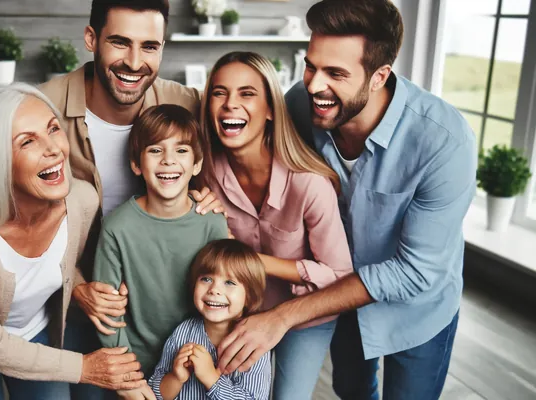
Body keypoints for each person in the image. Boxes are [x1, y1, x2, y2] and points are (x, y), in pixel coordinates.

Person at [0, 1, 222, 397]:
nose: (135, 62)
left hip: (103, 287)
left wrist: (211, 196)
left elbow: (248, 130)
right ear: (91, 39)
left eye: (150, 46)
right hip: (58, 297)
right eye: (120, 42)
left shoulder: (184, 104)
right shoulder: (39, 107)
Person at [216, 2, 477, 400]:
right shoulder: (299, 108)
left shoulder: (443, 141)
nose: (315, 85)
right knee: (352, 391)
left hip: (418, 310)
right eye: (311, 66)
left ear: (379, 77)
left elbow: (415, 272)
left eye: (336, 73)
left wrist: (282, 316)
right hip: (337, 297)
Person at [0, 83, 145, 399]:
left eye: (53, 129)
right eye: (27, 142)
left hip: (36, 333)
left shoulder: (82, 201)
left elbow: (71, 264)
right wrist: (84, 368)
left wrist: (81, 287)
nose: (53, 148)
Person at [198, 51, 353, 399]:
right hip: (234, 309)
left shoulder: (310, 183)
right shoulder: (203, 169)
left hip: (303, 318)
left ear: (270, 109)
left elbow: (340, 276)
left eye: (246, 93)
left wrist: (250, 260)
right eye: (219, 93)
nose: (229, 105)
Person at [93, 104, 229, 399]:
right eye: (155, 150)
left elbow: (228, 298)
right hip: (136, 368)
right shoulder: (117, 227)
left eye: (181, 151)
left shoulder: (212, 222)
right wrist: (127, 378)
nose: (168, 161)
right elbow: (108, 315)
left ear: (196, 164)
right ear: (136, 164)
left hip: (198, 364)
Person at [148, 239, 272, 400]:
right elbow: (153, 394)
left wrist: (211, 378)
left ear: (249, 297)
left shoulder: (254, 343)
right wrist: (175, 377)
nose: (214, 290)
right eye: (206, 279)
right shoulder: (184, 332)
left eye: (229, 282)